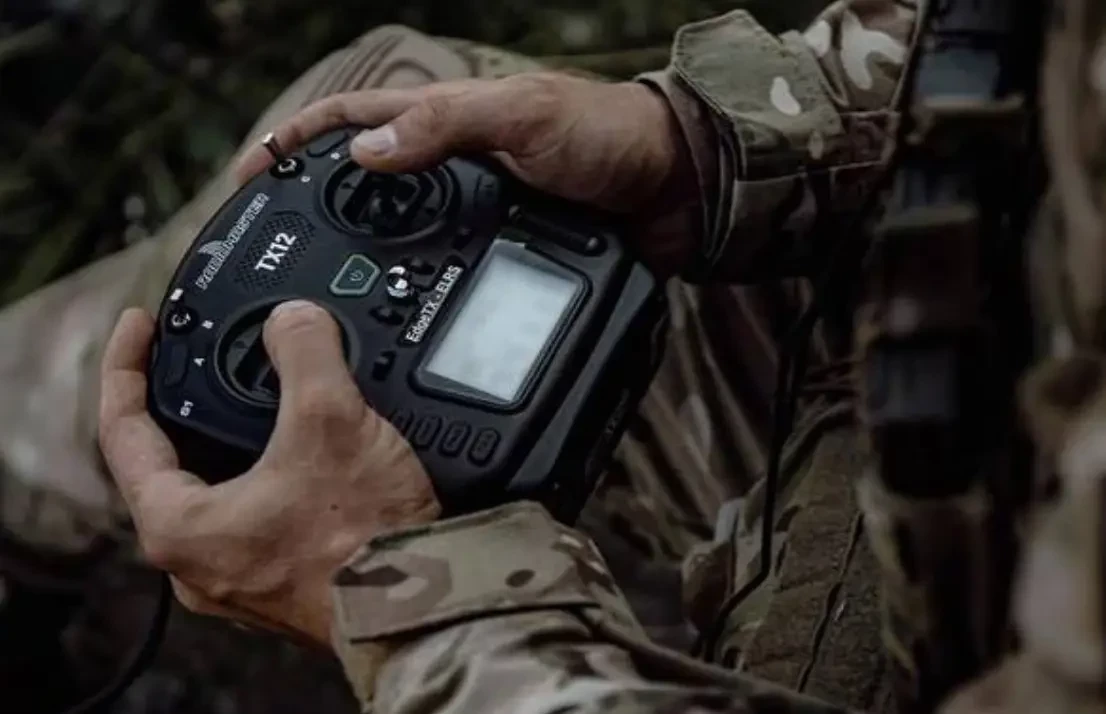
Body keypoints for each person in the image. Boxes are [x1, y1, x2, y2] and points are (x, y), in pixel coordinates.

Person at [11, 0, 1106, 711]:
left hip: (944, 606)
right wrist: (707, 138)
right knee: (386, 100)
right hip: (934, 335)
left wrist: (399, 595)